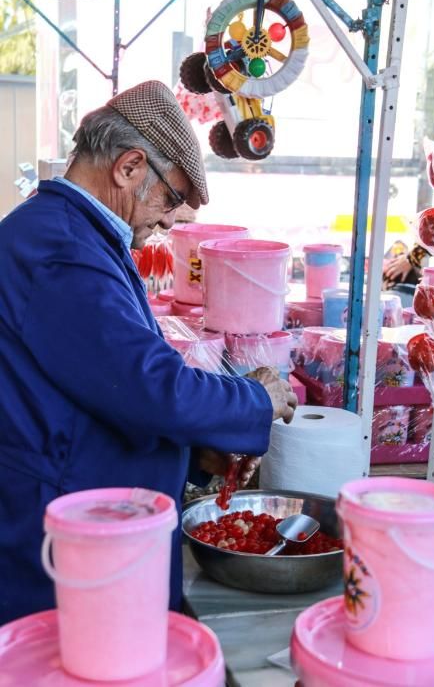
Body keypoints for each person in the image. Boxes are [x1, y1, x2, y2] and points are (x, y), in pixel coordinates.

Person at [0, 81, 297, 625]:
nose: (169, 220)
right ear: (130, 167)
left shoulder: (73, 235)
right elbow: (148, 386)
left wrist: (192, 455)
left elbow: (95, 389)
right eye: (171, 198)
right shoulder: (60, 250)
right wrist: (255, 399)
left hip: (84, 514)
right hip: (65, 536)